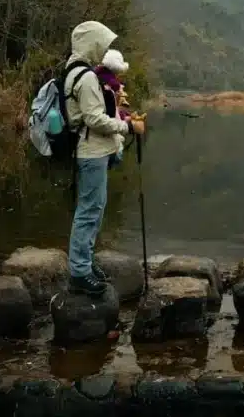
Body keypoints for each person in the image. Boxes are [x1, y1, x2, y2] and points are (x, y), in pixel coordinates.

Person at [63, 21, 145, 296]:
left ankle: (85, 263)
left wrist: (121, 116)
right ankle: (79, 272)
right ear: (91, 43)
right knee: (88, 212)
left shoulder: (76, 71)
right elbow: (94, 119)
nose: (104, 48)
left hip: (93, 151)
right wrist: (128, 127)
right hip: (92, 153)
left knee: (94, 209)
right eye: (102, 42)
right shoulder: (85, 77)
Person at [94, 48, 130, 165]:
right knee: (117, 156)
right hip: (99, 142)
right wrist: (126, 122)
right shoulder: (109, 86)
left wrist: (125, 116)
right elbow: (110, 112)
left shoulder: (97, 76)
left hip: (97, 138)